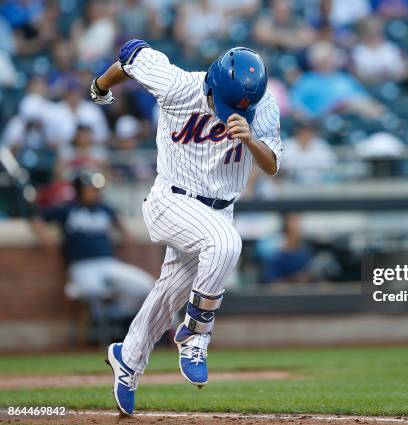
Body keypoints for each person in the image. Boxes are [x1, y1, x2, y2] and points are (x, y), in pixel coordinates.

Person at [90, 40, 281, 415]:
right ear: (209, 84)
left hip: (219, 210)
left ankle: (127, 358)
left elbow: (272, 164)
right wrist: (100, 87)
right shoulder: (178, 85)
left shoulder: (263, 106)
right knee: (226, 244)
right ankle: (195, 334)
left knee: (170, 294)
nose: (230, 113)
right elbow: (131, 55)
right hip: (171, 201)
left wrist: (252, 140)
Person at [30, 172, 154, 318]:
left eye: (96, 189)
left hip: (108, 263)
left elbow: (121, 226)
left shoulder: (104, 208)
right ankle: (99, 321)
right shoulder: (68, 209)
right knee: (93, 291)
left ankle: (114, 317)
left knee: (146, 285)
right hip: (82, 265)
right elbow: (37, 218)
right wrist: (44, 234)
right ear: (79, 189)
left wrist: (125, 233)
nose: (94, 192)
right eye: (90, 188)